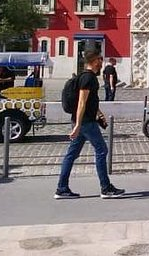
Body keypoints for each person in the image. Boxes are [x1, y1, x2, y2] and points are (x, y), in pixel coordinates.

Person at [55, 49, 125, 199]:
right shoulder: (88, 78)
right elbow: (82, 102)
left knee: (72, 154)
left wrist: (98, 113)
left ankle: (62, 188)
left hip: (83, 121)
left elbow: (90, 101)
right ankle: (106, 188)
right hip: (86, 123)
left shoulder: (84, 76)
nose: (102, 62)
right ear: (94, 61)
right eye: (100, 59)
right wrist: (78, 125)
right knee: (101, 150)